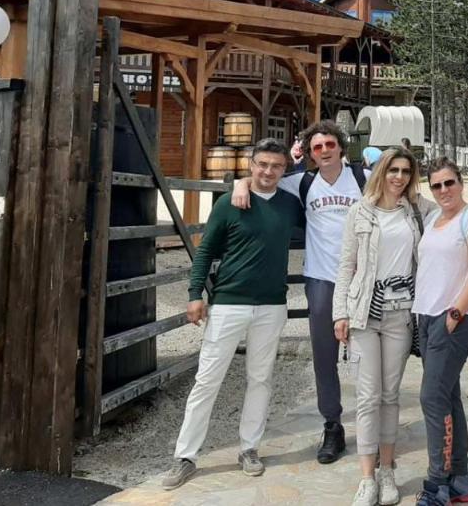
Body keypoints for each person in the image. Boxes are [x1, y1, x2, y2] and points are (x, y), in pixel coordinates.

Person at [162, 139, 304, 490]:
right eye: (262, 165)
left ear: (284, 169)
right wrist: (195, 294)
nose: (268, 171)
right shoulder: (230, 203)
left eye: (276, 166)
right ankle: (186, 455)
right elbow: (206, 248)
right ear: (251, 165)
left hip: (272, 304)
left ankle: (249, 448)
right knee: (208, 378)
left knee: (260, 378)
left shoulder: (290, 205)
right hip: (229, 302)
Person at [231, 119, 366, 464]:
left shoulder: (364, 179)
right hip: (321, 278)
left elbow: (405, 189)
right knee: (324, 357)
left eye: (329, 145)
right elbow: (267, 177)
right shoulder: (302, 183)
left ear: (341, 147)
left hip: (362, 278)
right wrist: (241, 182)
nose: (324, 151)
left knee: (371, 354)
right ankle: (332, 425)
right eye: (317, 147)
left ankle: (373, 425)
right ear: (309, 152)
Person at [333, 148, 426, 506]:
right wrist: (338, 313)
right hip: (364, 314)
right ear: (381, 172)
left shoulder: (416, 211)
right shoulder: (360, 211)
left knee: (390, 395)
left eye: (405, 171)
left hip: (401, 314)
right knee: (368, 397)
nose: (399, 177)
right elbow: (346, 266)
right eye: (393, 170)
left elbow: (454, 210)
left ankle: (388, 470)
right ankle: (367, 477)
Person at [413, 157, 468, 506]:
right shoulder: (433, 218)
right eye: (436, 185)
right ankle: (459, 479)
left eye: (449, 183)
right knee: (447, 397)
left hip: (455, 317)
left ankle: (438, 484)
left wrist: (456, 312)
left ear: (461, 183)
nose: (444, 190)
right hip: (428, 316)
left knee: (431, 397)